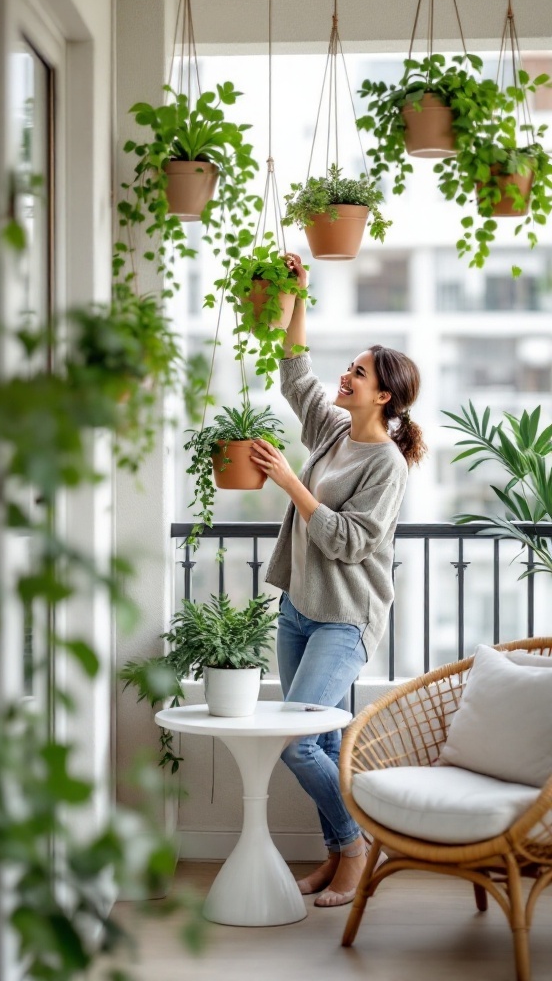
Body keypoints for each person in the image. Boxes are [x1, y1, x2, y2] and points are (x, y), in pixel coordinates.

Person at [250, 253, 426, 908]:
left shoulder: (387, 465)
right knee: (319, 739)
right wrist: (299, 294)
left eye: (358, 373)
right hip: (300, 606)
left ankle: (354, 846)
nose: (345, 376)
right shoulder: (332, 432)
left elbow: (352, 542)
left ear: (384, 395)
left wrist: (291, 483)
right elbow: (295, 371)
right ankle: (334, 858)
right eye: (350, 367)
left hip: (345, 619)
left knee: (298, 743)